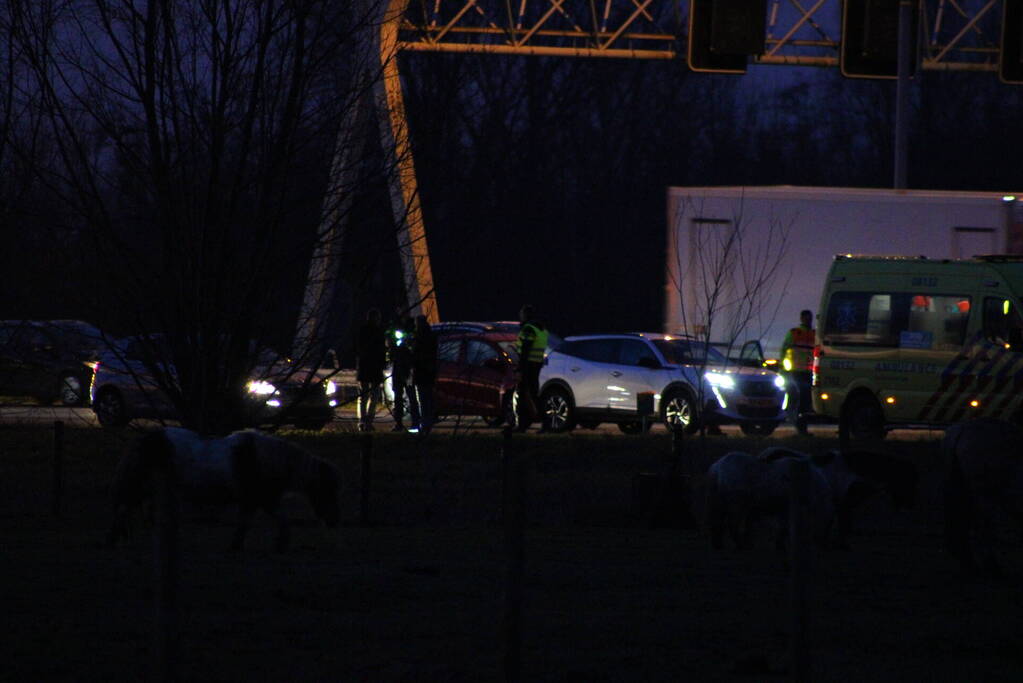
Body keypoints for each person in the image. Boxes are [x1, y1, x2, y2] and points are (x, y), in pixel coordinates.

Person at [780, 309, 816, 436]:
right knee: (803, 399)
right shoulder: (795, 333)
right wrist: (783, 368)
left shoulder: (813, 334)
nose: (808, 320)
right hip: (798, 372)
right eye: (807, 318)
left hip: (807, 372)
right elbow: (784, 350)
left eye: (809, 318)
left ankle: (801, 426)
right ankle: (800, 427)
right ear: (802, 319)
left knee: (805, 400)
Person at [514, 304, 548, 432]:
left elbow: (525, 350)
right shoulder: (542, 330)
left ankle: (522, 425)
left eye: (521, 314)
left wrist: (519, 369)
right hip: (536, 365)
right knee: (534, 395)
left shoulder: (528, 329)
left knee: (522, 395)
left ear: (526, 315)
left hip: (528, 365)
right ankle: (545, 423)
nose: (520, 317)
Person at [355, 308, 386, 432]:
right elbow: (381, 350)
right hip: (374, 367)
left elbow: (358, 348)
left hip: (365, 366)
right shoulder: (378, 332)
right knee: (373, 396)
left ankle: (363, 420)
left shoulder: (363, 331)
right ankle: (367, 421)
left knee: (364, 395)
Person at [386, 313, 417, 431]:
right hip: (400, 367)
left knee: (409, 396)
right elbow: (390, 344)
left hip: (406, 367)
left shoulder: (409, 329)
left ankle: (413, 422)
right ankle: (401, 423)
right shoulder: (396, 328)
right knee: (401, 396)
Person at [411, 315, 437, 434]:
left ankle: (425, 424)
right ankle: (429, 422)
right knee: (429, 398)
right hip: (429, 372)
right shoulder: (431, 335)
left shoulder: (419, 337)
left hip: (421, 372)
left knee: (423, 399)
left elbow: (415, 355)